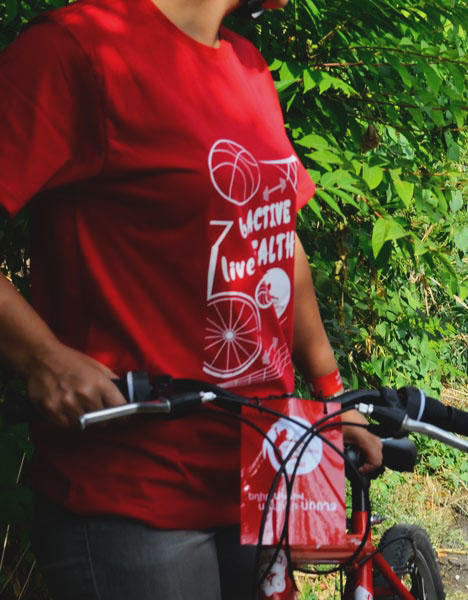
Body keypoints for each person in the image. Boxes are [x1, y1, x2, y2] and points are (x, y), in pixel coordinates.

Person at [0, 0, 381, 597]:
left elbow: (280, 243)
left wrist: (330, 398)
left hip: (262, 469)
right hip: (134, 491)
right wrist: (40, 356)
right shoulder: (78, 49)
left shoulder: (248, 66)